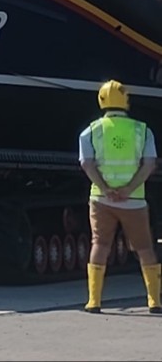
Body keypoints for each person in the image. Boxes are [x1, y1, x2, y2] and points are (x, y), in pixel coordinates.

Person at [79, 80, 160, 314]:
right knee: (144, 248)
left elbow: (87, 164)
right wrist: (129, 188)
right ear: (126, 101)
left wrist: (105, 188)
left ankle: (94, 301)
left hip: (101, 199)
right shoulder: (142, 130)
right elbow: (149, 164)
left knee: (100, 244)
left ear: (101, 100)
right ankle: (154, 301)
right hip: (134, 200)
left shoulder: (91, 131)